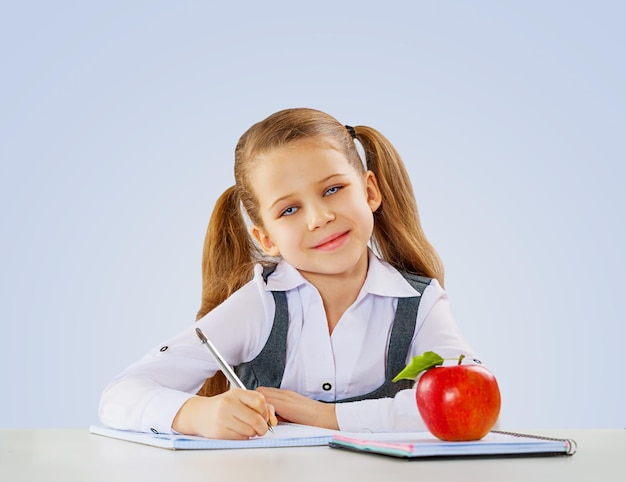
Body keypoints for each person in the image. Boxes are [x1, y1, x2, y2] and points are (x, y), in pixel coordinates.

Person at [99, 107, 485, 440]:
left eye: (333, 189)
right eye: (289, 210)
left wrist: (324, 416)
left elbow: (475, 404)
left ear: (369, 192)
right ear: (266, 238)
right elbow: (120, 395)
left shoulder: (422, 304)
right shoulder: (260, 305)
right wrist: (199, 415)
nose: (320, 218)